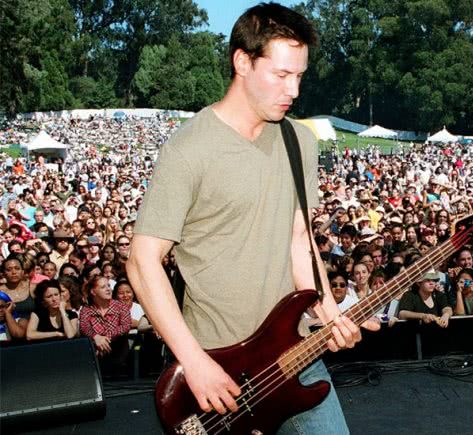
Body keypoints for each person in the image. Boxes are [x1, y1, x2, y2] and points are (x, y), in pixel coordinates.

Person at [125, 4, 374, 432]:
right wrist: (194, 362)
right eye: (281, 75)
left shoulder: (300, 141)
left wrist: (330, 312)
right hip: (218, 363)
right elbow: (142, 261)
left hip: (295, 351)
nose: (293, 90)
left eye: (299, 76)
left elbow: (300, 240)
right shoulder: (189, 149)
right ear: (242, 61)